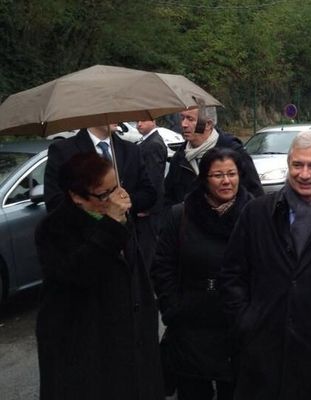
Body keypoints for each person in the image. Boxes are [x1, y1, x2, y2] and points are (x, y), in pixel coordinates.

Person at [219, 130, 311, 400]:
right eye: (297, 164)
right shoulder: (256, 214)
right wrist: (246, 322)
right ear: (288, 164)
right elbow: (232, 274)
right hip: (261, 358)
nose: (304, 174)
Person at [35, 153, 163, 400]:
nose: (115, 197)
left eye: (116, 187)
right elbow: (79, 272)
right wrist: (111, 224)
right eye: (104, 194)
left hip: (130, 339)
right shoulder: (54, 229)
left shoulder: (121, 216)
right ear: (77, 197)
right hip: (84, 344)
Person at [152, 147, 253, 400]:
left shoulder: (255, 213)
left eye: (232, 173)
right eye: (218, 175)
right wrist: (172, 307)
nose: (226, 181)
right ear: (204, 178)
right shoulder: (182, 214)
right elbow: (163, 265)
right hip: (191, 323)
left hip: (236, 323)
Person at [44, 123, 157, 215]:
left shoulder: (131, 150)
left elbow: (148, 193)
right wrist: (103, 208)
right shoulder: (63, 150)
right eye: (109, 110)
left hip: (127, 237)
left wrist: (126, 202)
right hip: (84, 237)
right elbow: (54, 201)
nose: (115, 116)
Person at [164, 105, 263, 207]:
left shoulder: (233, 152)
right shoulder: (179, 158)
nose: (184, 124)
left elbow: (256, 194)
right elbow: (167, 199)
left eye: (190, 119)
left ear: (208, 124)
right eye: (182, 118)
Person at [136, 119, 168, 269]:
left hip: (150, 209)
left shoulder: (153, 144)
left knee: (148, 247)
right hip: (149, 207)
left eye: (142, 121)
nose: (138, 124)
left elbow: (153, 178)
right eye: (137, 121)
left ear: (153, 121)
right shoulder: (148, 142)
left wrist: (147, 205)